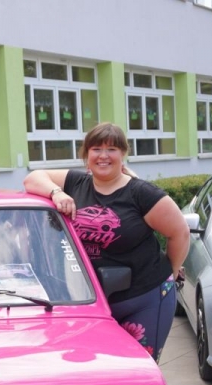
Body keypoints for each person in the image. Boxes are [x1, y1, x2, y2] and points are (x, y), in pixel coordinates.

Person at [23, 122, 189, 361]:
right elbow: (32, 178)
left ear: (123, 154)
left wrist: (171, 273)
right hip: (88, 303)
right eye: (96, 149)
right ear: (86, 155)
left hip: (143, 299)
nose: (103, 155)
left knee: (138, 369)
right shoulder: (75, 183)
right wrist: (56, 193)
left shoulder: (142, 194)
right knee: (95, 371)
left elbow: (180, 233)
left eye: (111, 149)